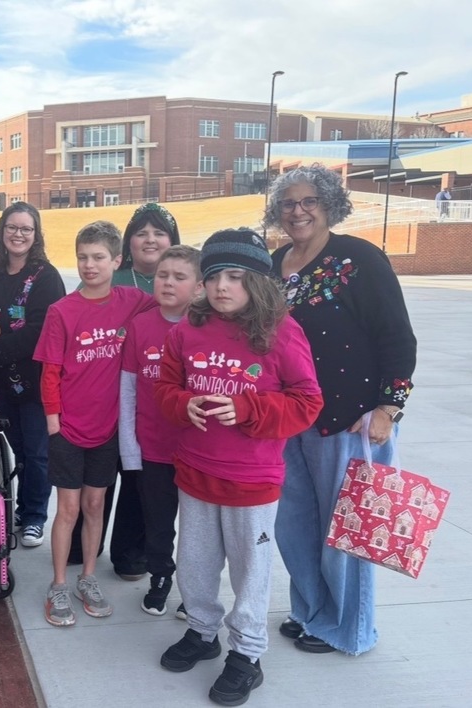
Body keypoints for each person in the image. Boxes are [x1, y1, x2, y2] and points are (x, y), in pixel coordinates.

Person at [153, 229, 323, 706]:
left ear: (258, 281)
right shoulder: (186, 331)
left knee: (251, 571)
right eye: (213, 277)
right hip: (196, 473)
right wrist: (182, 404)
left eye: (235, 276)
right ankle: (203, 631)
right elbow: (165, 387)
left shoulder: (282, 331)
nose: (222, 287)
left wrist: (249, 408)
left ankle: (247, 654)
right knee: (196, 562)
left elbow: (307, 402)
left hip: (252, 481)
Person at [264, 164, 417, 655]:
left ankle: (349, 629)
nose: (298, 210)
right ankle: (311, 611)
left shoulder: (359, 258)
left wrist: (388, 408)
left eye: (309, 200)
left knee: (348, 531)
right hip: (287, 419)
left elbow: (397, 336)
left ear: (329, 204)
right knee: (296, 525)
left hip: (349, 420)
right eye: (288, 203)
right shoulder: (273, 264)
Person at [33, 221, 153, 627]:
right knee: (67, 509)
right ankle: (60, 584)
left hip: (109, 430)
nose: (89, 265)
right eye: (83, 257)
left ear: (117, 260)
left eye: (99, 257)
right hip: (68, 428)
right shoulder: (61, 311)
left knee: (95, 504)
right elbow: (49, 373)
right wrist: (53, 422)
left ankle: (88, 577)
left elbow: (176, 299)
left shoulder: (133, 300)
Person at [69, 202, 182, 577]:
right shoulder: (109, 278)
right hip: (99, 398)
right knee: (95, 479)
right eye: (141, 232)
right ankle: (80, 544)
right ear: (125, 247)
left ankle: (131, 554)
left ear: (172, 241)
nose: (150, 240)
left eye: (158, 233)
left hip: (147, 401)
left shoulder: (184, 285)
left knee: (138, 480)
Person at [0, 203, 66, 549]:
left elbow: (43, 331)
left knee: (38, 452)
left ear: (36, 234)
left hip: (35, 380)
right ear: (1, 230)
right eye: (12, 227)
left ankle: (34, 517)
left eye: (26, 229)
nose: (18, 234)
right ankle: (23, 507)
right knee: (20, 449)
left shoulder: (46, 276)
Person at [119, 245, 202, 617]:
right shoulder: (140, 326)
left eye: (179, 277)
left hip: (197, 452)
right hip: (152, 448)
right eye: (162, 275)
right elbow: (128, 390)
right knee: (158, 523)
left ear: (199, 287)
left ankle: (195, 591)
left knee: (198, 528)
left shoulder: (208, 327)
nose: (167, 282)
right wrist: (129, 448)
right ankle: (160, 578)